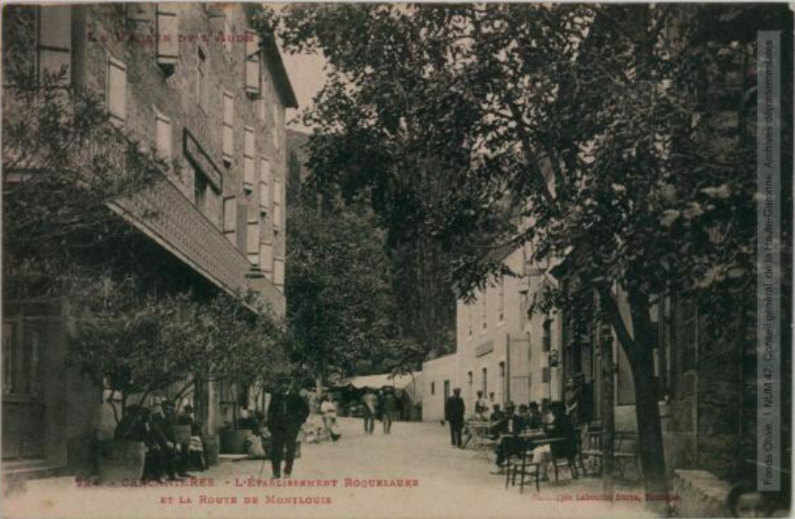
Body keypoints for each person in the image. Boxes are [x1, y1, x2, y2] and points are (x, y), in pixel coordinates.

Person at [267, 378, 310, 479]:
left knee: (290, 449)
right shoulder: (276, 396)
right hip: (278, 427)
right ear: (280, 385)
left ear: (290, 385)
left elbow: (305, 410)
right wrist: (271, 425)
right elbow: (270, 412)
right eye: (282, 383)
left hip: (291, 427)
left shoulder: (296, 397)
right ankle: (276, 473)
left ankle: (287, 472)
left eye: (287, 384)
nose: (284, 386)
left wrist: (298, 423)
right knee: (276, 449)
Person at [490, 402, 527, 475]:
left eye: (509, 409)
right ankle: (501, 465)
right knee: (502, 442)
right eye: (506, 409)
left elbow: (523, 429)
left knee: (503, 443)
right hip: (507, 439)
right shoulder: (504, 419)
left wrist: (513, 435)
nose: (507, 411)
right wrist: (499, 433)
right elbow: (493, 429)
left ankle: (502, 465)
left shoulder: (518, 418)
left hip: (517, 440)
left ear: (513, 409)